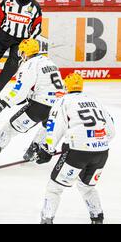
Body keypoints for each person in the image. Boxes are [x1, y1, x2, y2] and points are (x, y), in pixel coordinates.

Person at [37, 73, 115, 224]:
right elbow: (111, 132)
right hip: (102, 152)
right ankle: (97, 219)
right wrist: (94, 142)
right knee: (87, 187)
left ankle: (46, 220)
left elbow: (54, 127)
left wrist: (48, 149)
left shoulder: (63, 101)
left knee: (54, 188)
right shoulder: (95, 101)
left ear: (66, 86)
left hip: (78, 153)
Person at [0, 39, 64, 165]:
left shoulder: (29, 65)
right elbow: (44, 86)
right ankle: (33, 150)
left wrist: (1, 103)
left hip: (40, 106)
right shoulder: (49, 62)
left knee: (10, 128)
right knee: (47, 126)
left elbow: (19, 91)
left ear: (25, 52)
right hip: (58, 106)